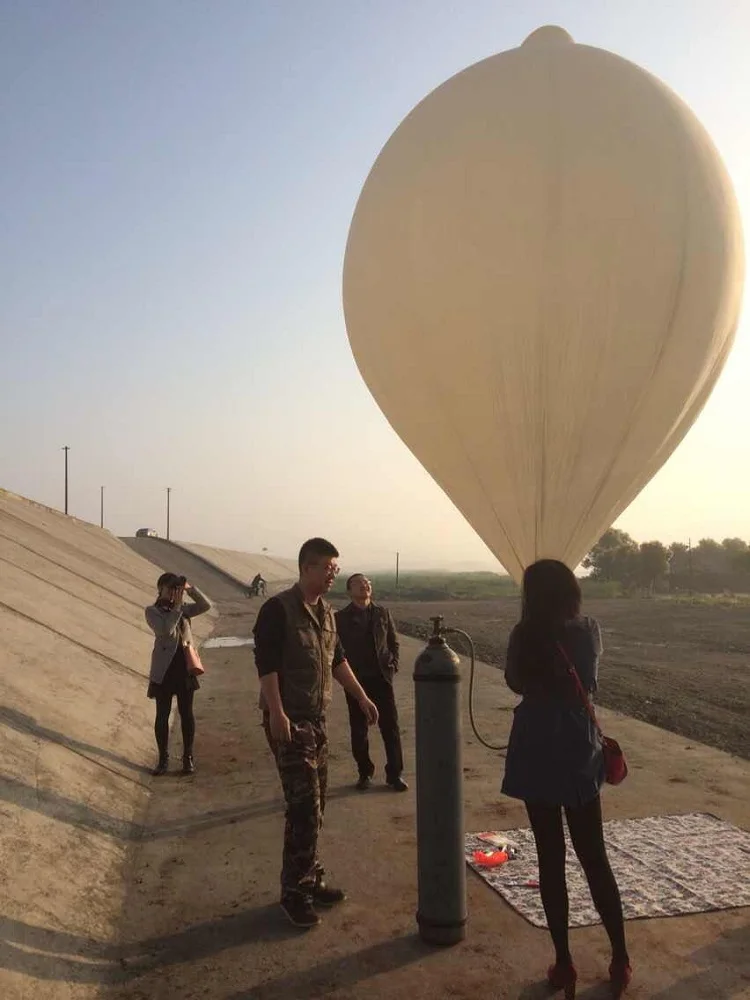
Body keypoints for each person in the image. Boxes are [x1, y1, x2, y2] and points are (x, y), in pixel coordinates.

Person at [501, 560, 631, 998]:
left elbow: (514, 681)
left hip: (536, 745)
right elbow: (590, 681)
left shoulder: (524, 635)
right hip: (578, 746)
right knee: (594, 857)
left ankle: (564, 963)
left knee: (550, 858)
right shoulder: (587, 629)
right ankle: (620, 958)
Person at [253, 538, 379, 929]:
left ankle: (311, 876)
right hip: (290, 720)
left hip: (318, 720)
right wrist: (276, 713)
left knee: (317, 805)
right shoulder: (278, 610)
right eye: (327, 568)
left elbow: (337, 659)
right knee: (304, 806)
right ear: (306, 567)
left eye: (335, 569)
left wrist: (361, 697)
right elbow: (267, 663)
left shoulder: (326, 613)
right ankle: (294, 892)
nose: (332, 576)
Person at [335, 574, 407, 792]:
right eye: (359, 584)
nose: (365, 586)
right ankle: (364, 772)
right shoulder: (341, 618)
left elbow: (393, 642)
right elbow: (337, 651)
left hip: (382, 679)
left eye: (367, 583)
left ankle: (394, 775)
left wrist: (393, 664)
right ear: (349, 591)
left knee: (390, 728)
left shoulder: (382, 613)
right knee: (359, 730)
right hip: (357, 682)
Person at [145, 573, 212, 776]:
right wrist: (176, 607)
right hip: (164, 671)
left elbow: (205, 605)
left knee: (187, 714)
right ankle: (163, 759)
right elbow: (166, 631)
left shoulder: (183, 610)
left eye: (175, 589)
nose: (172, 593)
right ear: (160, 589)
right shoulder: (152, 611)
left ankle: (188, 757)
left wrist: (189, 588)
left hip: (184, 669)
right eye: (168, 589)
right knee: (162, 715)